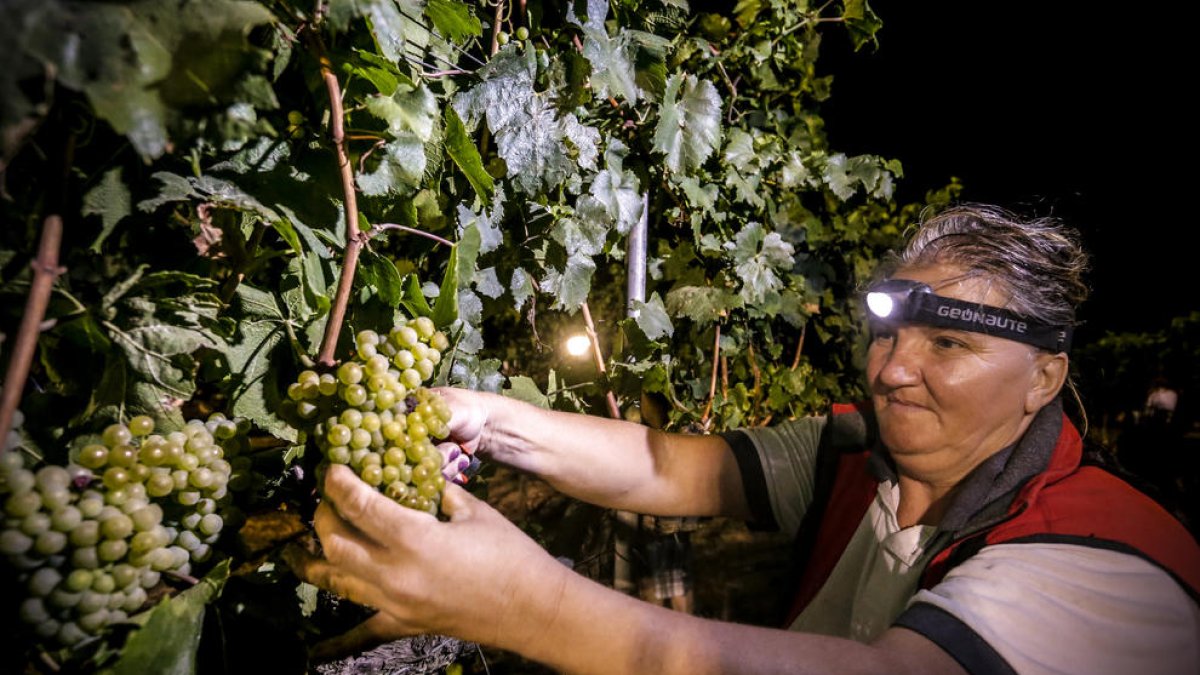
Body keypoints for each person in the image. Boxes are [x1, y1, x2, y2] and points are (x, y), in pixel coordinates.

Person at [285, 204, 1200, 674]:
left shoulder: (1108, 555)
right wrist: (487, 418)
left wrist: (521, 604)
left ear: (1045, 375)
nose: (890, 370)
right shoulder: (856, 454)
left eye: (948, 345)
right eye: (889, 337)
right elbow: (665, 468)